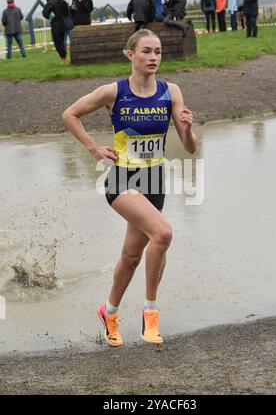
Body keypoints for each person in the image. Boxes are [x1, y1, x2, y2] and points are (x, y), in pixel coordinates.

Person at [62, 29, 197, 347]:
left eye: (158, 52)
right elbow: (70, 115)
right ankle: (151, 313)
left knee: (132, 255)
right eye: (147, 51)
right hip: (122, 181)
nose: (153, 58)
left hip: (154, 182)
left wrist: (188, 130)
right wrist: (94, 148)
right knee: (162, 234)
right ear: (130, 54)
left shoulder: (170, 91)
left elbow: (190, 148)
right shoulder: (114, 92)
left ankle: (108, 311)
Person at [42, 0, 69, 64]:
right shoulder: (62, 1)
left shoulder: (49, 3)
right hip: (63, 25)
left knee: (57, 43)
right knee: (62, 42)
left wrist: (51, 16)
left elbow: (45, 13)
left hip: (55, 25)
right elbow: (67, 13)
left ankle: (63, 58)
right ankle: (64, 58)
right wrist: (63, 17)